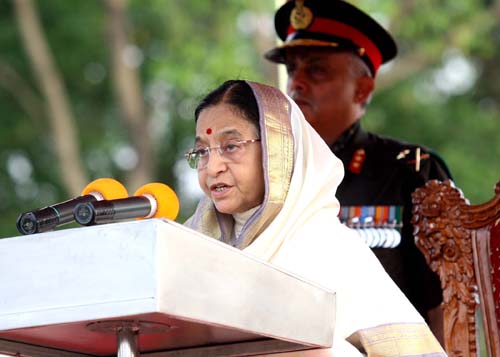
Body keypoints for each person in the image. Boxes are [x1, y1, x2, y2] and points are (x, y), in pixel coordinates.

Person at [183, 79, 445, 356]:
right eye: (202, 151)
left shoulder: (328, 248)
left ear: (277, 150)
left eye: (231, 146)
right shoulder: (189, 247)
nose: (212, 167)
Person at [263, 0, 452, 342]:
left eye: (316, 70)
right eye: (293, 70)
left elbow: (450, 304)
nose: (296, 83)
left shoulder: (411, 172)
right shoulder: (268, 177)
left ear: (362, 88)